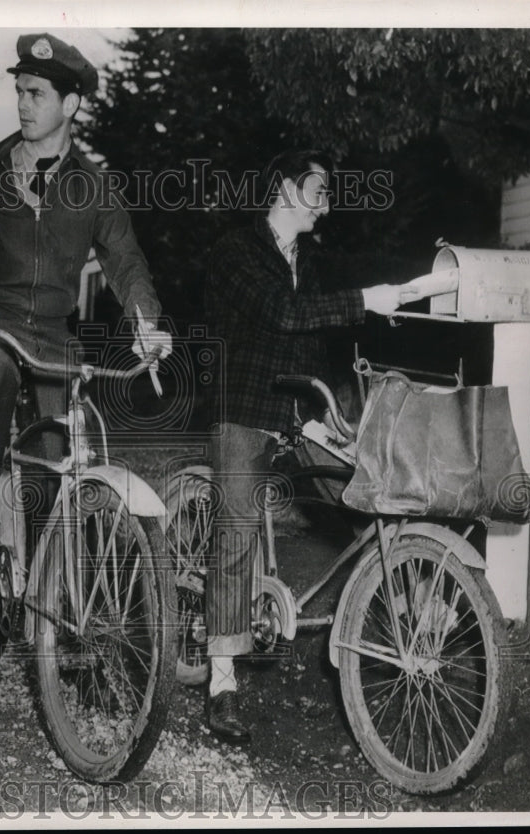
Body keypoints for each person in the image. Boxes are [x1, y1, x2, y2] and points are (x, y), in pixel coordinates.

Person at [0, 33, 171, 579]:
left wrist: (146, 322)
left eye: (37, 94)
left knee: (62, 453)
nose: (23, 103)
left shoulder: (94, 188)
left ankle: (52, 582)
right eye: (20, 91)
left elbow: (126, 263)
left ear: (69, 105)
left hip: (54, 333)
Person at [202, 149, 407, 742]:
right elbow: (282, 313)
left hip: (297, 414)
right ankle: (222, 683)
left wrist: (335, 411)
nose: (325, 202)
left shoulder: (308, 262)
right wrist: (367, 298)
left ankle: (394, 610)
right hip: (241, 412)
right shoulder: (235, 252)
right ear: (282, 187)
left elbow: (313, 332)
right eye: (316, 190)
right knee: (236, 531)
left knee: (366, 489)